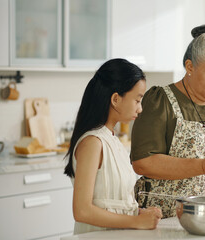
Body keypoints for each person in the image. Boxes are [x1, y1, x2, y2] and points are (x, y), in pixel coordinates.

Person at [130, 24, 205, 218]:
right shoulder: (161, 101)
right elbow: (143, 162)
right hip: (165, 218)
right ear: (190, 66)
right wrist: (202, 166)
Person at [64, 58, 162, 234]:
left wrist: (140, 214)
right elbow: (82, 211)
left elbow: (112, 202)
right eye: (137, 100)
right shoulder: (93, 143)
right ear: (116, 99)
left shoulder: (113, 140)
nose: (140, 109)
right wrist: (136, 221)